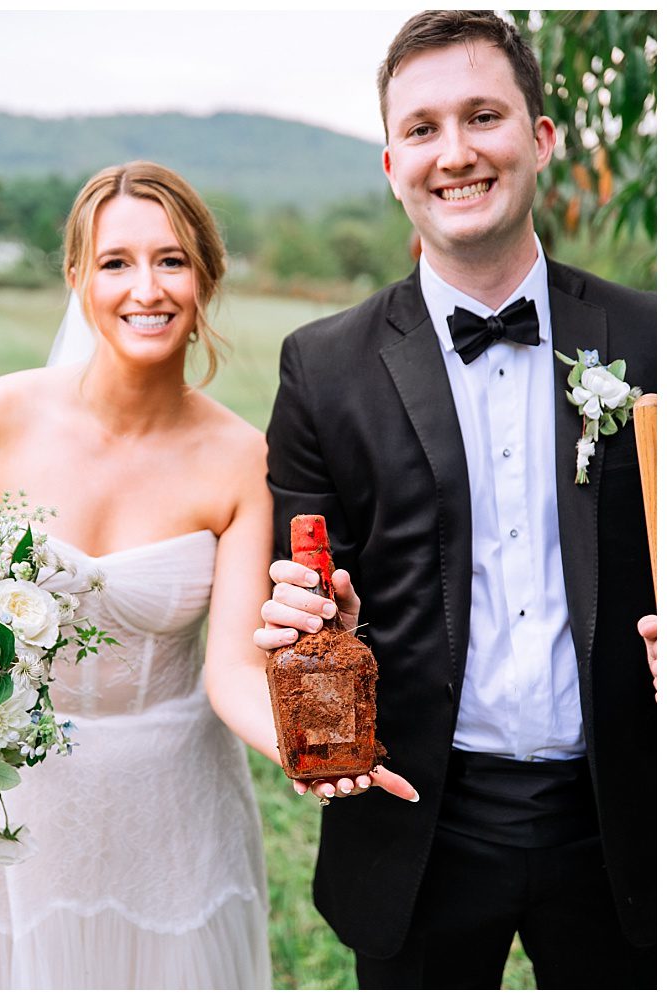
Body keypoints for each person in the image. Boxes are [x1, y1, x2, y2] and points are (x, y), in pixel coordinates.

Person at [254, 11, 655, 988]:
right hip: (415, 819)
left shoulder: (654, 337)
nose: (457, 152)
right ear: (392, 163)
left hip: (629, 819)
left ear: (541, 140)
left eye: (485, 116)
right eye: (424, 128)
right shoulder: (322, 367)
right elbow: (302, 592)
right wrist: (312, 619)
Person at [0, 161, 273, 989]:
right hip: (9, 813)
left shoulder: (244, 460)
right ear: (78, 276)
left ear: (206, 278)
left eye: (171, 260)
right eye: (116, 262)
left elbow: (233, 672)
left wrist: (314, 756)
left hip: (174, 811)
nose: (144, 288)